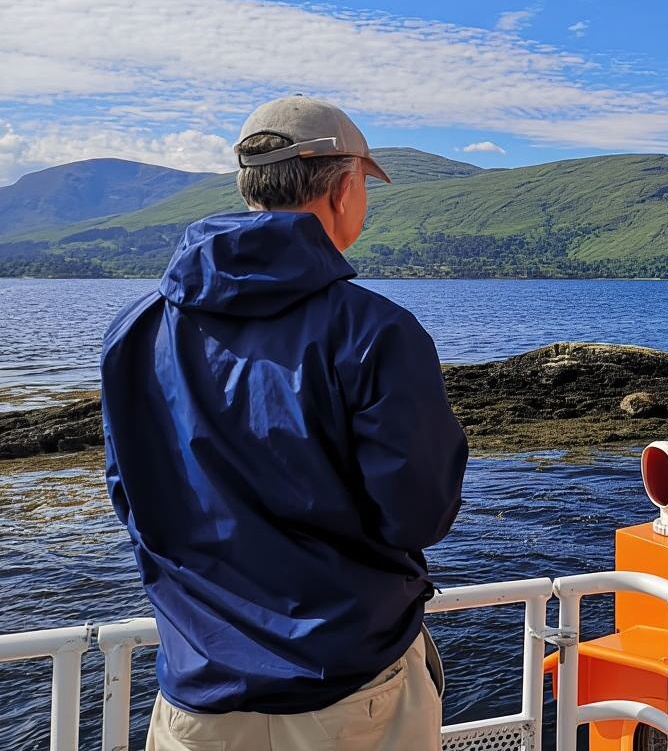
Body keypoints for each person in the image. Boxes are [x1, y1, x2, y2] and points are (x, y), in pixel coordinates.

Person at [101, 95, 468, 751]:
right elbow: (418, 516)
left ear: (251, 187)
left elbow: (130, 497)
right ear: (344, 188)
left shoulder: (135, 329)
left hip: (197, 694)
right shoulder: (375, 333)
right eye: (365, 187)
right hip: (351, 695)